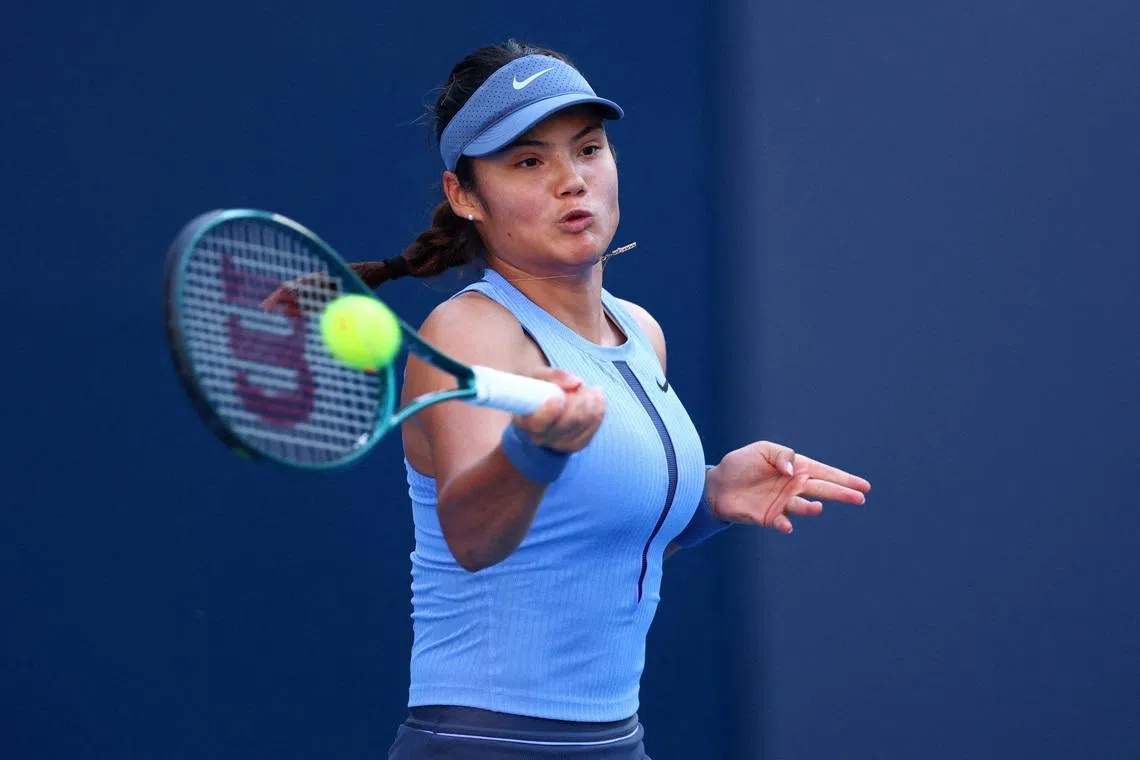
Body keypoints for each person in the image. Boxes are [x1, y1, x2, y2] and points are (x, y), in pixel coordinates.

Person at [348, 40, 871, 759]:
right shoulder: (471, 331)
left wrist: (711, 497)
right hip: (486, 744)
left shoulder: (640, 332)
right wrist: (535, 450)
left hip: (615, 743)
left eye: (588, 149)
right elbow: (474, 538)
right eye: (528, 162)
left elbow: (585, 541)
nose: (572, 181)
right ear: (464, 195)